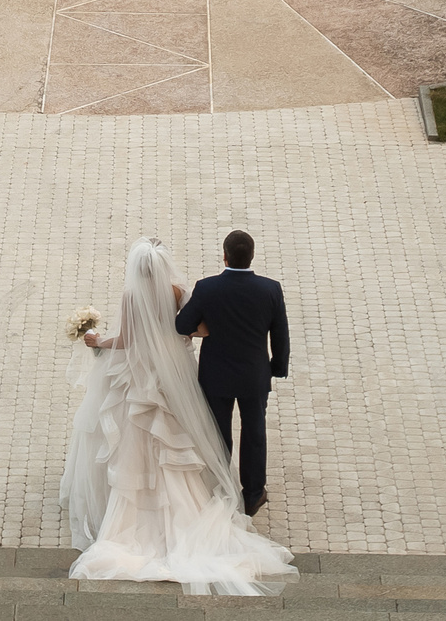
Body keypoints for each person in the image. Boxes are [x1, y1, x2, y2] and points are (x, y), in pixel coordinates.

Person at [63, 238, 296, 594]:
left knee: (155, 430)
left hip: (147, 375)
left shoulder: (135, 295)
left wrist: (97, 340)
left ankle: (176, 487)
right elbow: (193, 327)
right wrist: (272, 365)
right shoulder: (181, 291)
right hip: (191, 374)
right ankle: (240, 491)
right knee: (222, 431)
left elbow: (128, 338)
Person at [173, 230, 291, 521]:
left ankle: (221, 489)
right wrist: (277, 367)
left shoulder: (207, 288)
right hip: (254, 375)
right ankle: (253, 494)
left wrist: (203, 329)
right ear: (252, 256)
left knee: (217, 433)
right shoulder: (270, 289)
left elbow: (182, 325)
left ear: (224, 256)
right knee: (254, 434)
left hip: (216, 375)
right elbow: (280, 334)